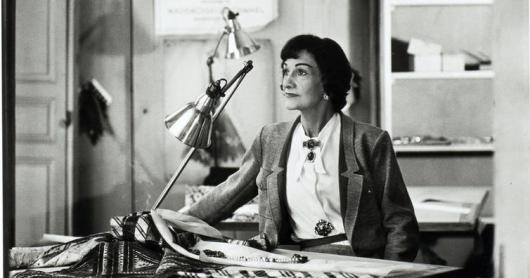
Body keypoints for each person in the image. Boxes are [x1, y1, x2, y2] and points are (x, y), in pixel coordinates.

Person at [181, 34, 419, 262]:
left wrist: (390, 271)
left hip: (361, 264)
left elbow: (400, 223)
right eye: (285, 71)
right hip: (296, 263)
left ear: (327, 81)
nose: (287, 81)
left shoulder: (370, 141)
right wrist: (169, 222)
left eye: (301, 72)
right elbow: (225, 196)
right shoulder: (270, 139)